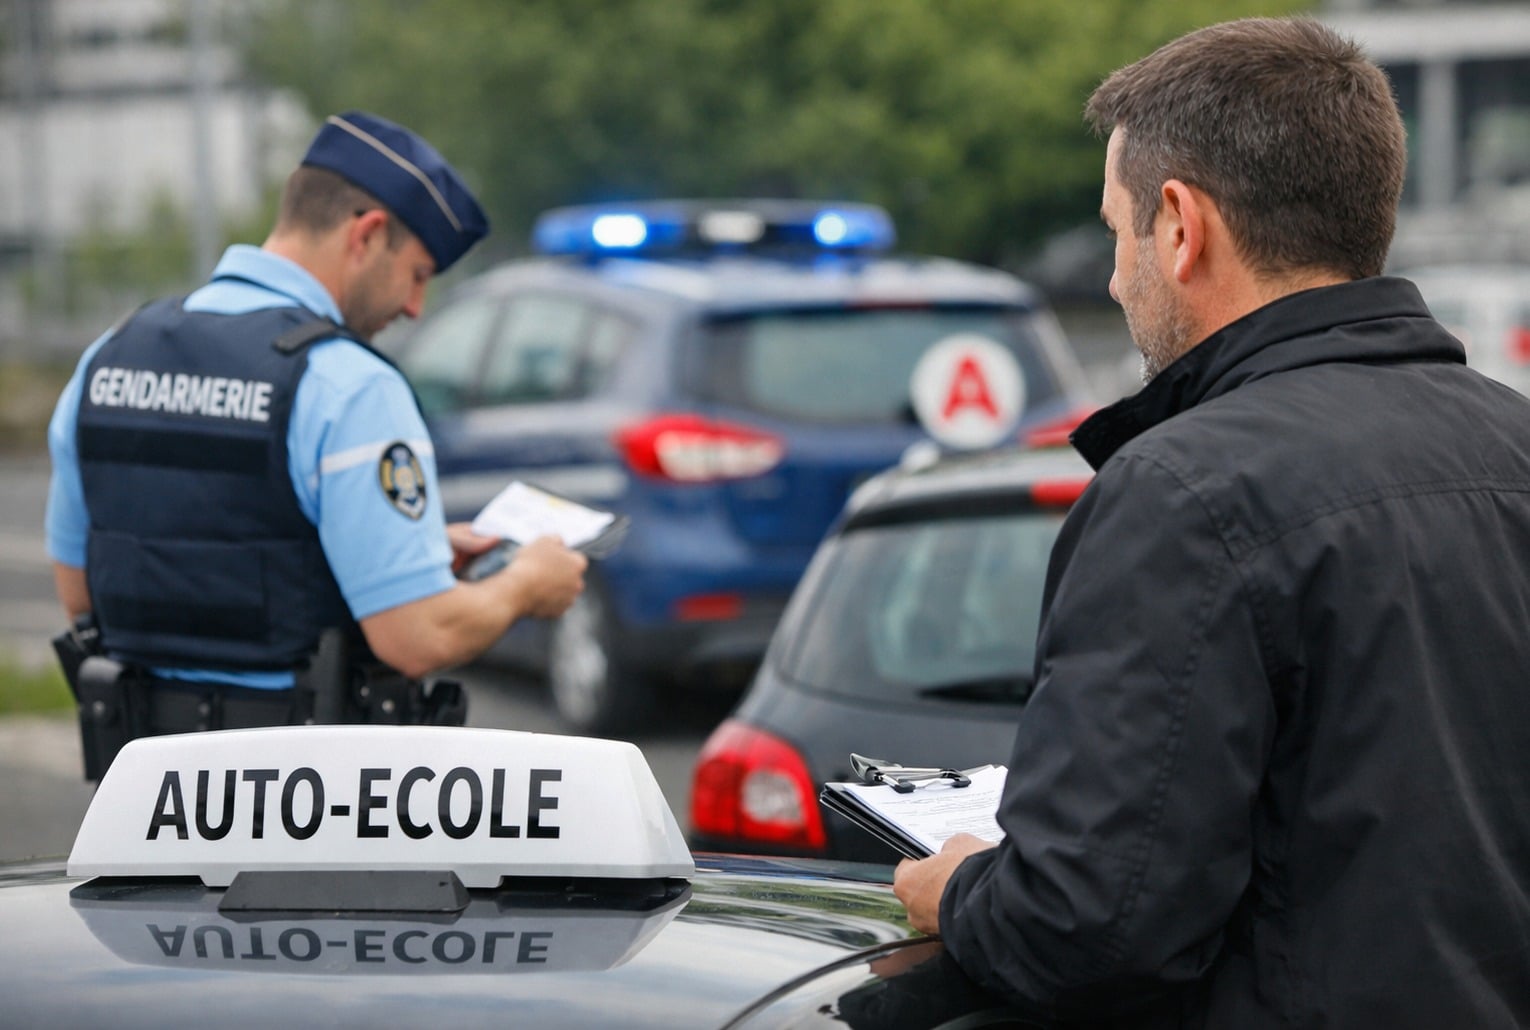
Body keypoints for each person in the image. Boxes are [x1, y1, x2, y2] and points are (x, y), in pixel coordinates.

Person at [893, 16, 1530, 1027]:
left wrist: (962, 889)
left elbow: (1084, 930)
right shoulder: (1515, 441)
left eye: (1117, 230)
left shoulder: (1183, 492)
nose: (1112, 276)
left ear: (1181, 226)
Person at [44, 111, 587, 770]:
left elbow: (85, 591)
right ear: (367, 234)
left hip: (141, 797)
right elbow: (417, 637)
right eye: (417, 274)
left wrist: (388, 559)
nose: (416, 307)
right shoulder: (349, 385)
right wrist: (527, 583)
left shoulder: (109, 357)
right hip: (299, 802)